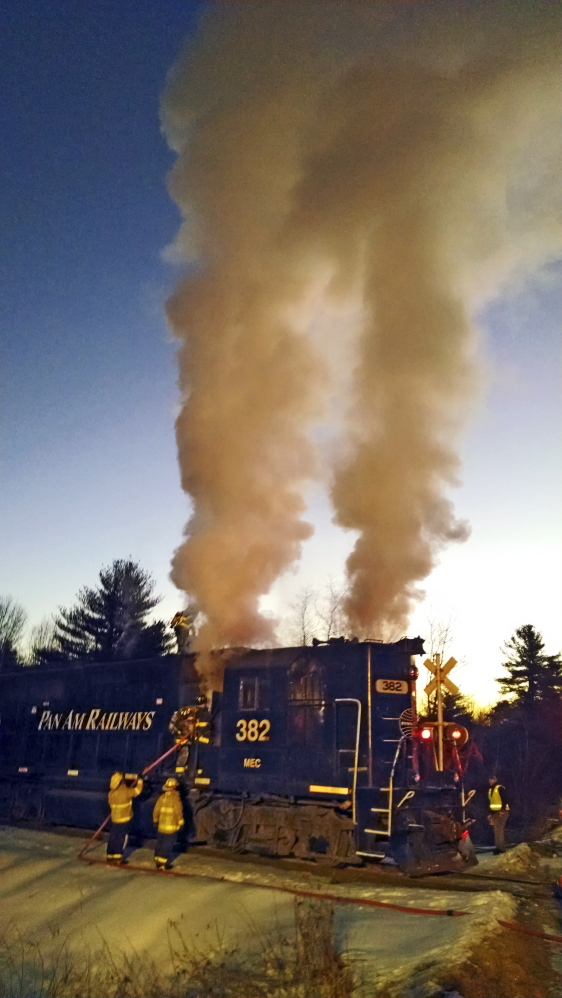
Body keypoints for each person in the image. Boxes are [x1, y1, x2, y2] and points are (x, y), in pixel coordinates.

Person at [107, 771, 143, 864]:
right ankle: (118, 857)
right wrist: (140, 781)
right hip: (124, 819)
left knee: (113, 837)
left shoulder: (111, 793)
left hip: (115, 818)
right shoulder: (125, 791)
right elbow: (137, 791)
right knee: (121, 838)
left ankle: (110, 855)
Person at [153, 776, 184, 870]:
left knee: (160, 842)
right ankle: (162, 864)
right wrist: (181, 822)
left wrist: (155, 820)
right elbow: (178, 811)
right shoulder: (175, 798)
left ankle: (157, 860)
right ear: (174, 787)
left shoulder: (161, 797)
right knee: (168, 844)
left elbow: (156, 810)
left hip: (161, 826)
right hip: (171, 827)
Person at [487, 775, 509, 853]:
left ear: (495, 780)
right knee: (496, 830)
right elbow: (491, 803)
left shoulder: (500, 788)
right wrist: (490, 814)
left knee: (499, 830)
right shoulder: (490, 790)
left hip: (501, 812)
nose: (490, 781)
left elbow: (505, 799)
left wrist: (503, 810)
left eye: (491, 780)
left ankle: (501, 849)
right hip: (495, 813)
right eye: (489, 780)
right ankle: (498, 848)